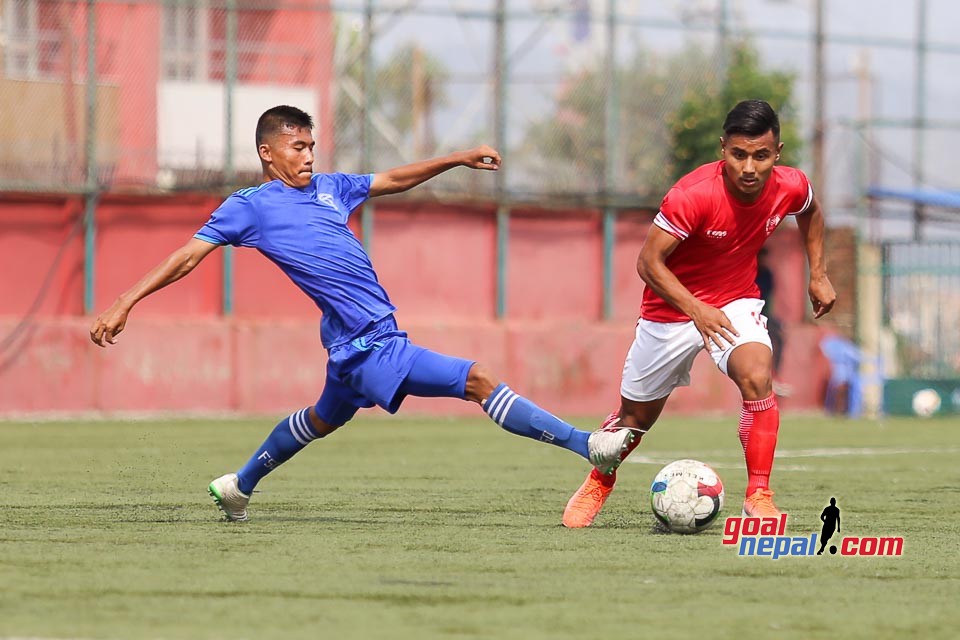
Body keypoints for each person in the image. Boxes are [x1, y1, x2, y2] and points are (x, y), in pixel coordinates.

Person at [89, 105, 634, 522]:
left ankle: (239, 486)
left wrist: (457, 158)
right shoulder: (249, 206)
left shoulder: (331, 189)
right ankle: (587, 445)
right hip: (372, 346)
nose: (308, 156)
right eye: (296, 147)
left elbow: (391, 179)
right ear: (267, 153)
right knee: (478, 378)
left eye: (311, 146)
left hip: (352, 346)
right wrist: (124, 300)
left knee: (320, 420)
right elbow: (188, 255)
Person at [562, 99, 836, 528]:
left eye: (761, 156)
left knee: (757, 375)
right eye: (738, 154)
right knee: (635, 419)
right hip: (670, 311)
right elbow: (648, 263)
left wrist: (817, 274)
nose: (749, 167)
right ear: (722, 148)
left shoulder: (792, 185)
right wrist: (695, 309)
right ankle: (600, 479)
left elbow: (812, 212)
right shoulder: (693, 195)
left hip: (735, 301)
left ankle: (759, 494)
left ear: (777, 154)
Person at [755, 247, 791, 396]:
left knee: (779, 336)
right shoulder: (749, 273)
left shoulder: (767, 274)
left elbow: (769, 299)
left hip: (764, 314)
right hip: (748, 313)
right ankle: (761, 376)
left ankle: (774, 374)